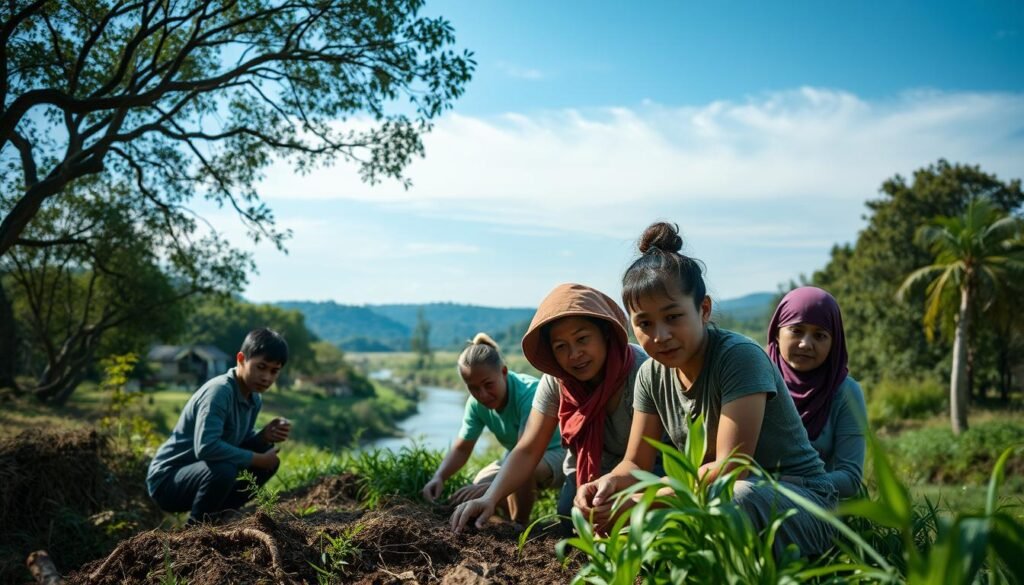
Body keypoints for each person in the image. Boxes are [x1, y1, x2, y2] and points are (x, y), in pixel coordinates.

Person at [576, 222, 836, 558]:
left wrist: (642, 501)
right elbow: (636, 464)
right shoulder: (651, 375)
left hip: (801, 501)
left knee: (735, 497)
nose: (660, 335)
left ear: (704, 309)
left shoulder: (738, 357)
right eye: (644, 323)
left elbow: (732, 467)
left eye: (673, 317)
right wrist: (607, 485)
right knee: (623, 529)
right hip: (717, 497)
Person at [450, 283, 648, 534]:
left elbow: (647, 457)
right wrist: (489, 498)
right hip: (589, 470)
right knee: (570, 520)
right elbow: (529, 447)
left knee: (629, 527)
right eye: (561, 346)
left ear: (606, 334)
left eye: (582, 339)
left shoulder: (643, 371)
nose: (574, 354)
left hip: (646, 468)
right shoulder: (557, 380)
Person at [146, 328, 293, 525]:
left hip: (203, 474)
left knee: (270, 460)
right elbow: (206, 447)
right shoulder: (219, 392)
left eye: (274, 371)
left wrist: (263, 437)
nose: (267, 377)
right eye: (261, 367)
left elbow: (239, 443)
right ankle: (196, 528)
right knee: (224, 469)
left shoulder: (254, 398)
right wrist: (257, 459)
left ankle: (219, 516)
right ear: (241, 359)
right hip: (168, 481)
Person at [421, 333, 566, 525]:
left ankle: (520, 524)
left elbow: (527, 452)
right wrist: (438, 477)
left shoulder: (529, 393)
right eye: (473, 388)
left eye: (488, 385)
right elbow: (463, 448)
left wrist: (493, 489)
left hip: (558, 452)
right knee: (480, 482)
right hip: (521, 455)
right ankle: (503, 522)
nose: (482, 395)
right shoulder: (475, 404)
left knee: (519, 475)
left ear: (504, 372)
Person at [767, 286, 867, 499]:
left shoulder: (845, 392)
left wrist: (795, 484)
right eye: (796, 330)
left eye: (820, 336)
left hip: (817, 506)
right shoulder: (756, 382)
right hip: (750, 498)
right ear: (777, 332)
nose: (805, 344)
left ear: (834, 343)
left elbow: (850, 479)